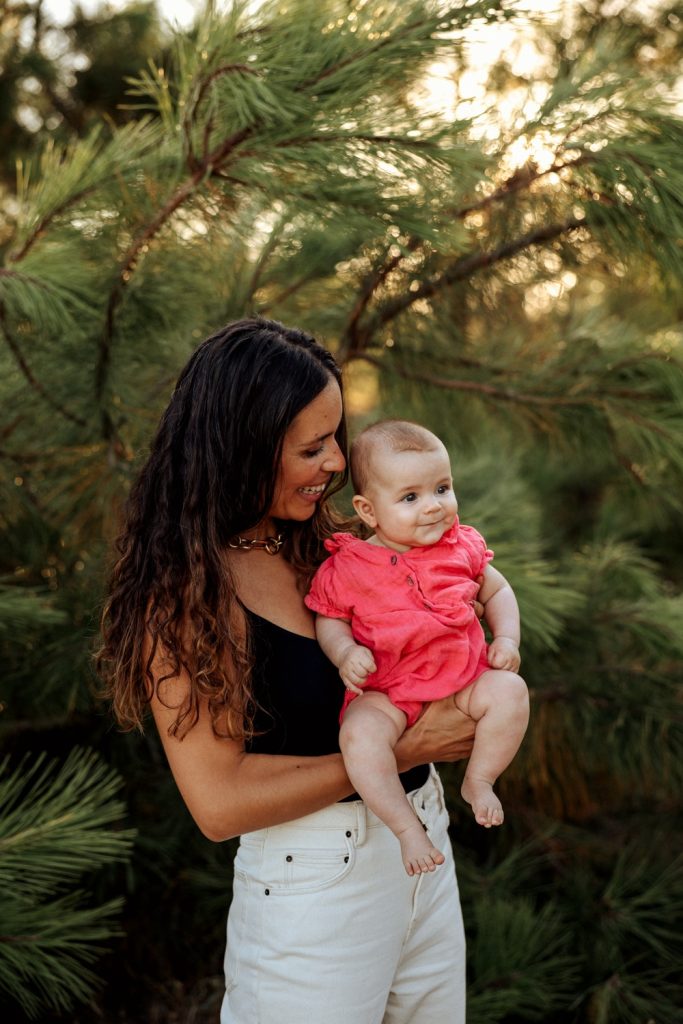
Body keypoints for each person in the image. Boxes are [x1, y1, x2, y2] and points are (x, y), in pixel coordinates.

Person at [98, 318, 477, 1024]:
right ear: (242, 450)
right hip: (317, 887)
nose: (336, 461)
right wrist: (401, 751)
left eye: (335, 436)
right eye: (311, 447)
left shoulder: (331, 548)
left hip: (422, 848)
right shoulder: (186, 594)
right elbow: (218, 804)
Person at [305, 420, 530, 877]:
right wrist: (346, 654)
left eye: (442, 488)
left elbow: (498, 592)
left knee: (510, 691)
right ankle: (407, 829)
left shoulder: (461, 546)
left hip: (464, 680)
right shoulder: (348, 566)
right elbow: (329, 618)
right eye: (410, 498)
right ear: (368, 510)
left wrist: (506, 639)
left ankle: (480, 779)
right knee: (360, 736)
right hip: (389, 693)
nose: (433, 507)